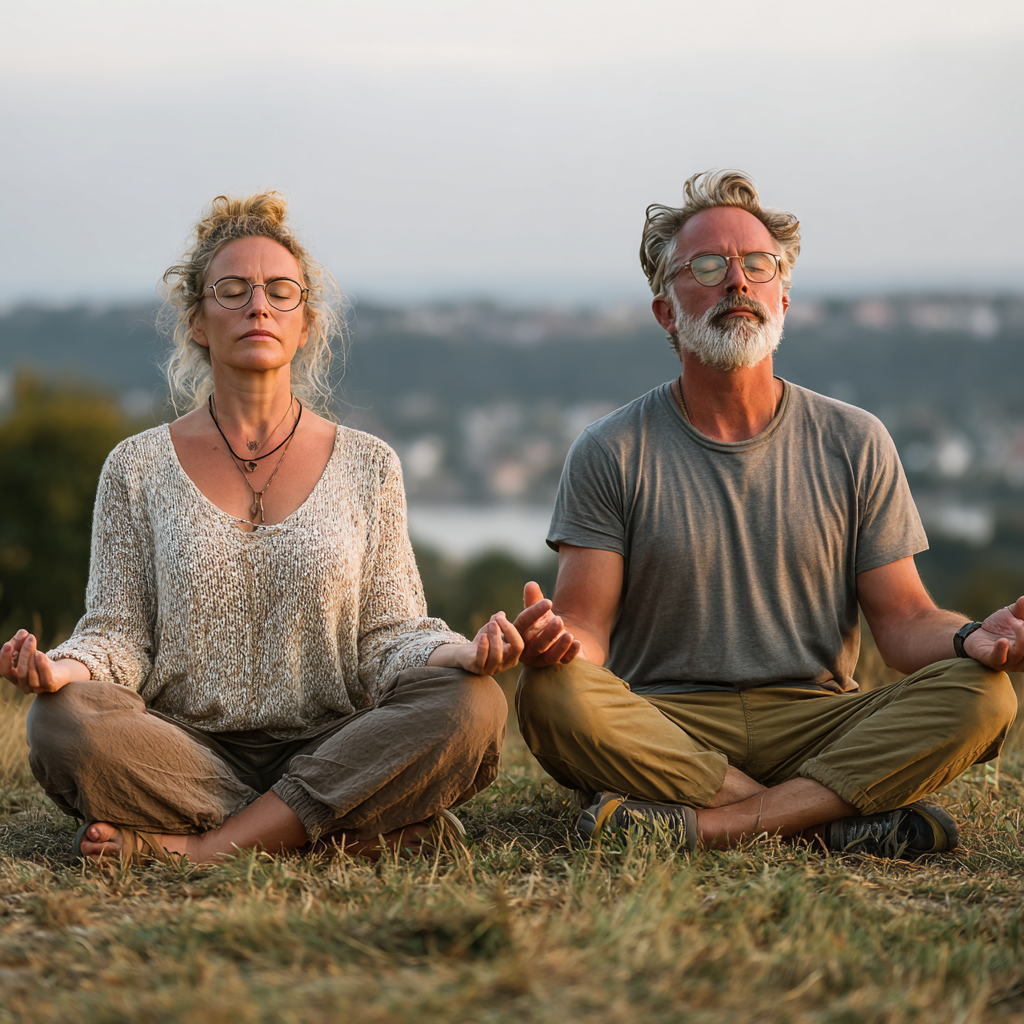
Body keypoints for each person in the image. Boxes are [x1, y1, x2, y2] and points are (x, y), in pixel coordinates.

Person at [1, 191, 520, 864]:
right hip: (181, 751)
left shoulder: (370, 464)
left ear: (305, 323)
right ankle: (341, 833)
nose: (258, 306)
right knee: (60, 723)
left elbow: (389, 635)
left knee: (472, 706)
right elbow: (119, 633)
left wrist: (462, 654)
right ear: (196, 321)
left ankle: (203, 848)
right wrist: (60, 668)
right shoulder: (135, 467)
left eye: (281, 291)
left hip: (338, 741)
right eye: (233, 290)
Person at [513, 170, 1019, 857]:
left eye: (758, 264)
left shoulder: (854, 439)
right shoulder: (611, 448)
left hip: (821, 719)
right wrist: (556, 644)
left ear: (783, 294)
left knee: (984, 695)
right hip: (666, 723)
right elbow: (587, 628)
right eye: (709, 265)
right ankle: (828, 814)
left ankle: (712, 824)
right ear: (667, 311)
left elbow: (903, 623)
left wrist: (972, 640)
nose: (737, 283)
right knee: (552, 696)